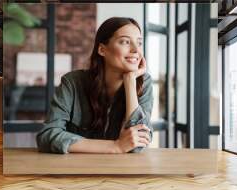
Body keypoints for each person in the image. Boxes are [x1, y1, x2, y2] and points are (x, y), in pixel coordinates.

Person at [37, 17, 153, 154]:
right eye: (125, 42)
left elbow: (138, 145)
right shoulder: (72, 82)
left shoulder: (143, 83)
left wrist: (130, 81)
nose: (135, 50)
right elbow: (47, 136)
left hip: (122, 171)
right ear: (102, 50)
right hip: (75, 169)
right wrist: (116, 146)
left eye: (139, 43)